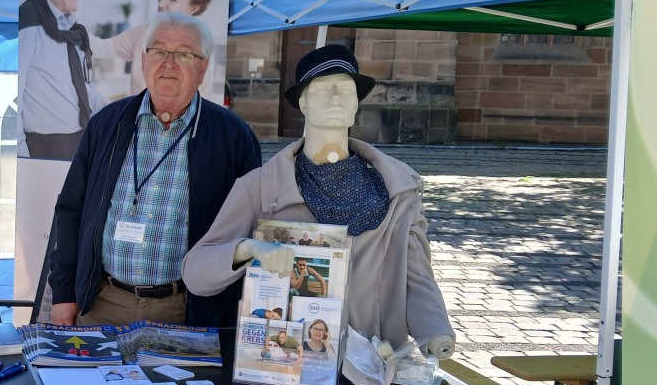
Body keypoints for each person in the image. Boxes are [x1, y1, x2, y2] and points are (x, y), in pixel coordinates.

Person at [182, 44, 456, 357]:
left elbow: (417, 277)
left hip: (376, 361)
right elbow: (196, 274)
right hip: (291, 363)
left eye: (345, 90)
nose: (336, 98)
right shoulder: (260, 187)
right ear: (303, 103)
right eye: (323, 90)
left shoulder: (399, 188)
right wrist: (248, 249)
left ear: (356, 104)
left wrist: (436, 335)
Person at [50, 12, 262, 328]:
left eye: (184, 54)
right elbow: (71, 210)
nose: (169, 63)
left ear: (202, 68)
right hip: (103, 303)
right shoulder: (106, 125)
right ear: (144, 61)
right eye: (159, 51)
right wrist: (64, 293)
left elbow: (250, 227)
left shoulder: (234, 137)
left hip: (188, 312)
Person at [91, 0, 222, 97]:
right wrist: (71, 25)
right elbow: (101, 48)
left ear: (194, 8)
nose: (161, 2)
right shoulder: (144, 33)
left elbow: (202, 106)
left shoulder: (202, 51)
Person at [18, 0, 98, 160]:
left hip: (79, 142)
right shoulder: (27, 21)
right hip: (44, 149)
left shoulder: (70, 26)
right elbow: (12, 94)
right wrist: (23, 155)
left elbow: (83, 89)